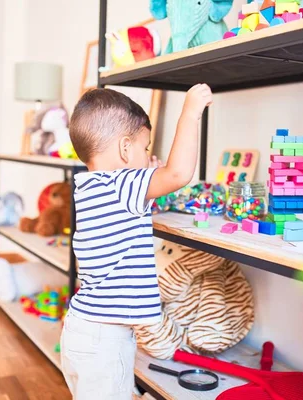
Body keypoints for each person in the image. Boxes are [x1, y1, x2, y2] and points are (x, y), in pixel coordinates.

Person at [61, 84, 213, 399]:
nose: (147, 156)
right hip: (105, 341)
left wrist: (146, 170)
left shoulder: (90, 186)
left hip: (82, 332)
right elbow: (179, 174)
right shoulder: (122, 184)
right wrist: (190, 111)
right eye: (145, 149)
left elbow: (130, 217)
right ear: (125, 149)